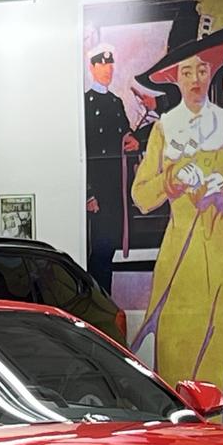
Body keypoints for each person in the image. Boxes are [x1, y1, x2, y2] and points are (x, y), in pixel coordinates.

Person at [130, 18, 223, 393]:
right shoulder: (164, 128)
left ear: (211, 72)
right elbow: (141, 195)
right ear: (174, 77)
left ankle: (216, 444)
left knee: (214, 371)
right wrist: (171, 178)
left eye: (201, 69)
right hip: (180, 259)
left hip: (221, 255)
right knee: (176, 367)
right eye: (187, 71)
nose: (195, 79)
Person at [84, 44, 140, 295]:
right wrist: (88, 193)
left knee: (108, 251)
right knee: (98, 253)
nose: (108, 69)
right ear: (92, 67)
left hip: (116, 190)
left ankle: (104, 301)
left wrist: (131, 139)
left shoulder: (116, 102)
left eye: (110, 64)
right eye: (102, 64)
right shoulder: (85, 103)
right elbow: (81, 152)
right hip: (97, 193)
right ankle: (99, 303)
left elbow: (124, 132)